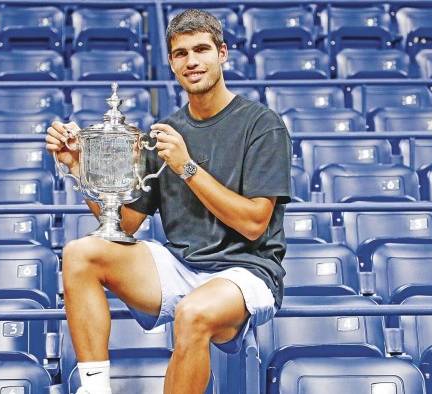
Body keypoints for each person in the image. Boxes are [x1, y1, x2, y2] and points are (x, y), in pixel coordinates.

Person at [45, 9, 292, 394]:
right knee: (81, 252)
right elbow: (123, 226)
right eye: (180, 54)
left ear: (222, 53)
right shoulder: (167, 131)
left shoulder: (262, 124)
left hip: (247, 271)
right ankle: (94, 389)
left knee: (193, 314)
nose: (192, 61)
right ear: (172, 64)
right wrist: (78, 168)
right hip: (181, 266)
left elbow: (254, 223)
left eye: (201, 50)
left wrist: (187, 167)